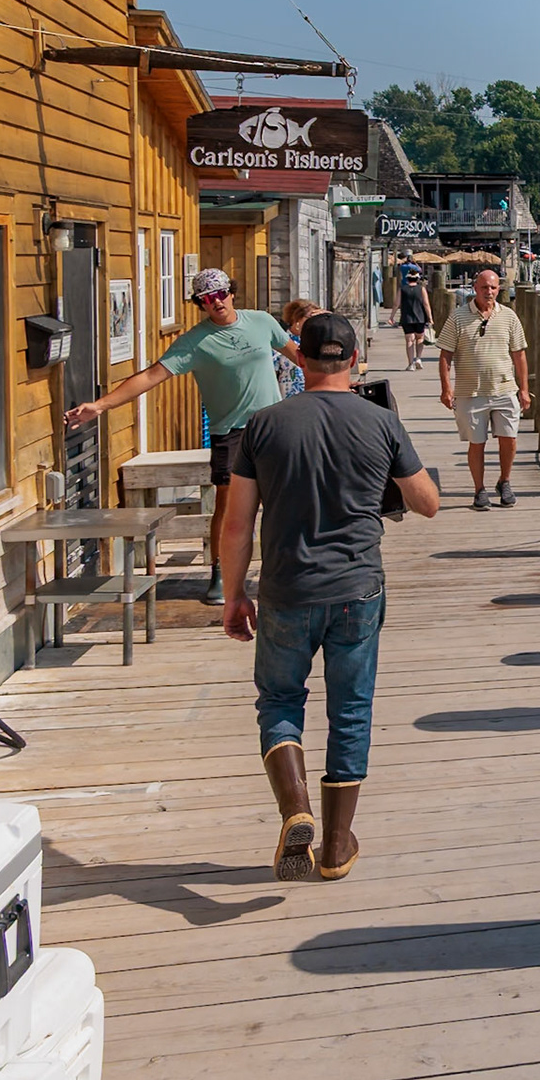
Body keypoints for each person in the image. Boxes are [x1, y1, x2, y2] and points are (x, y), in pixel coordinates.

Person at [220, 311, 440, 882]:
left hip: (286, 590)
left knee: (279, 701)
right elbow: (426, 503)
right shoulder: (380, 421)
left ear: (302, 358)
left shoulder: (261, 426)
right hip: (357, 589)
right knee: (349, 710)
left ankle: (296, 808)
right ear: (353, 360)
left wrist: (234, 595)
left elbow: (237, 525)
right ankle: (337, 847)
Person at [64, 268, 298, 604]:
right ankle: (220, 572)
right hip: (230, 433)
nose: (216, 302)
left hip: (272, 426)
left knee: (283, 502)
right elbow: (150, 377)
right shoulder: (194, 342)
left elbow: (298, 356)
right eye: (207, 299)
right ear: (200, 304)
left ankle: (284, 569)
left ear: (231, 292)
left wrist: (336, 382)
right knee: (229, 505)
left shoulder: (262, 321)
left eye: (220, 294)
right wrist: (100, 406)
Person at [435, 267, 529, 510]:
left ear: (499, 289)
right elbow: (445, 355)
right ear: (475, 289)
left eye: (493, 287)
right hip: (470, 392)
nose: (489, 292)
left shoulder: (509, 316)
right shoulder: (457, 317)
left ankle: (504, 481)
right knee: (477, 443)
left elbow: (519, 355)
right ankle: (479, 489)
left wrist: (524, 389)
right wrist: (447, 388)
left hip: (505, 389)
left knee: (509, 439)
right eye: (484, 287)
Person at [277, 301, 323, 398]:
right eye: (310, 317)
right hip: (288, 400)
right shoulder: (281, 341)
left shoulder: (318, 341)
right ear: (297, 318)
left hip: (314, 399)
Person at [397, 267, 431, 370]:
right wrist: (430, 317)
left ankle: (411, 363)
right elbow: (426, 304)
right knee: (419, 338)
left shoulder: (402, 289)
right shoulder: (421, 289)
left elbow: (396, 303)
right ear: (417, 279)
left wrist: (391, 316)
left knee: (409, 341)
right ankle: (418, 358)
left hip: (406, 318)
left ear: (407, 279)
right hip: (420, 317)